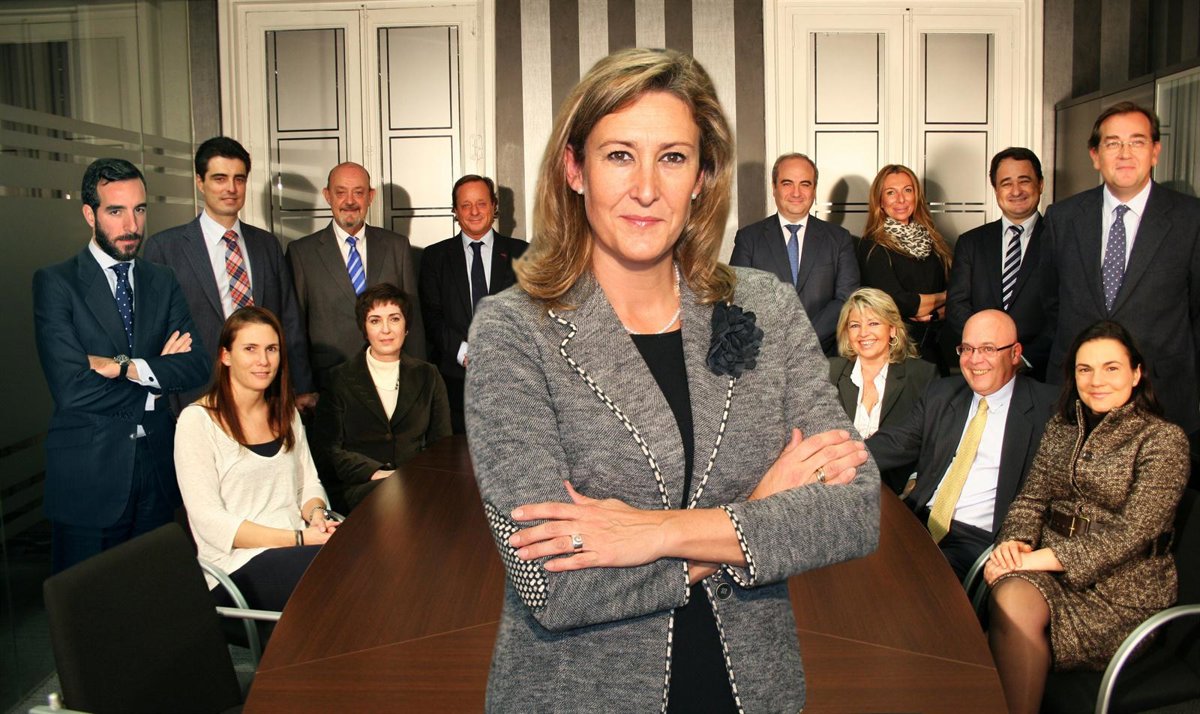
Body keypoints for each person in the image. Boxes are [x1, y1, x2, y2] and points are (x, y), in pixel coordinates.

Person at [465, 48, 878, 713]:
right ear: (574, 169)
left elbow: (853, 509)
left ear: (703, 177)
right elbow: (551, 584)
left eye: (674, 157)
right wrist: (754, 513)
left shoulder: (764, 307)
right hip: (581, 693)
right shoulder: (513, 329)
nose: (646, 188)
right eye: (619, 155)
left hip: (753, 689)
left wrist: (653, 532)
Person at [985, 320, 1188, 714]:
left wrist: (1032, 560)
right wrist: (1014, 544)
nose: (1096, 380)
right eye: (1085, 369)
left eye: (1111, 368)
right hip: (1046, 574)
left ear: (1136, 373)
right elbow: (1031, 499)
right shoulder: (1062, 428)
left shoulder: (1162, 440)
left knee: (1002, 616)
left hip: (1122, 594)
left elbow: (1133, 532)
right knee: (1007, 599)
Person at [34, 158, 210, 573]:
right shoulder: (57, 283)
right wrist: (155, 375)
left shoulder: (162, 279)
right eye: (116, 211)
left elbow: (197, 366)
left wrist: (123, 366)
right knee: (89, 605)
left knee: (152, 598)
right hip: (89, 477)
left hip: (158, 470)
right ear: (89, 214)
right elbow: (72, 389)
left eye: (139, 209)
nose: (132, 225)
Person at [1041, 101, 1200, 451]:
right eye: (1113, 143)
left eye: (1137, 142)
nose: (1125, 153)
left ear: (1155, 151)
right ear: (1095, 155)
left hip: (1162, 398)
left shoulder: (1191, 219)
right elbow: (1050, 303)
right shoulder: (1062, 217)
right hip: (1077, 401)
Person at [867, 310, 1058, 579]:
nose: (974, 359)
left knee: (906, 581)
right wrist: (827, 463)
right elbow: (892, 443)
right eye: (967, 348)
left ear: (1015, 353)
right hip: (919, 521)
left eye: (988, 349)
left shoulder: (1049, 408)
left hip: (979, 541)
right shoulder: (941, 394)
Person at [174, 307, 336, 612]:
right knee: (340, 577)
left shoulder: (285, 413)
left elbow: (308, 485)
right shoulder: (197, 422)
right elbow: (211, 523)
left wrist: (317, 515)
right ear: (225, 356)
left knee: (366, 557)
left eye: (271, 349)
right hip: (235, 568)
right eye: (250, 349)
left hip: (300, 548)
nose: (263, 360)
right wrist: (299, 538)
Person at [143, 136, 316, 413]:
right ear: (200, 182)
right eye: (220, 178)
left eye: (239, 179)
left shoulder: (266, 245)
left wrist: (301, 385)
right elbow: (152, 331)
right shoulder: (165, 248)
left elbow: (289, 319)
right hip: (197, 393)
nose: (231, 188)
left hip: (265, 393)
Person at [311, 283, 452, 511]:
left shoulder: (428, 375)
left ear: (406, 326)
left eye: (394, 319)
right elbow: (326, 451)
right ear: (364, 329)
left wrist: (413, 476)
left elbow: (442, 446)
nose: (386, 329)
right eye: (375, 321)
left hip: (417, 484)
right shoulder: (339, 378)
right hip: (360, 488)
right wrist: (379, 474)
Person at [287, 161, 426, 390]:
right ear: (327, 196)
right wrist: (302, 387)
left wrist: (419, 380)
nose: (350, 201)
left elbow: (414, 320)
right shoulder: (301, 253)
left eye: (358, 193)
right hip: (329, 382)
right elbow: (295, 328)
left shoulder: (397, 247)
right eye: (341, 192)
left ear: (370, 196)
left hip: (391, 379)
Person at [419, 175, 528, 433]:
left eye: (481, 203)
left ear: (493, 206)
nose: (474, 211)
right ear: (456, 211)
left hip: (512, 382)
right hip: (454, 383)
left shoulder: (523, 253)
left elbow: (531, 314)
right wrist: (465, 353)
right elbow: (431, 317)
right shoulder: (435, 257)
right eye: (465, 205)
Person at [730, 153, 859, 354]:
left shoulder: (839, 239)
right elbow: (741, 298)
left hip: (824, 356)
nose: (796, 193)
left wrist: (804, 338)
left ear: (814, 190)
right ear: (774, 188)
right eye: (787, 183)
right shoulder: (749, 238)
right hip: (766, 356)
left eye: (805, 184)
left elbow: (846, 299)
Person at [947, 148, 1051, 379]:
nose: (1016, 191)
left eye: (1024, 181)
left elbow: (1065, 311)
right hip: (980, 369)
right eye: (1006, 183)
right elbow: (957, 306)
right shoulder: (971, 242)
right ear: (995, 190)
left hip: (1039, 371)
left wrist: (1024, 358)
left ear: (1041, 184)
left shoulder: (1059, 240)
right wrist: (984, 352)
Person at [828, 288, 937, 491]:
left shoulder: (922, 376)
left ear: (893, 329)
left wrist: (915, 481)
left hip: (896, 493)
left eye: (873, 323)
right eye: (855, 325)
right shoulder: (829, 372)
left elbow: (932, 443)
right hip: (834, 488)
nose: (863, 333)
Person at [857, 164, 953, 372]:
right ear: (880, 201)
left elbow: (958, 296)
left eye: (907, 190)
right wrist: (943, 297)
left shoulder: (934, 241)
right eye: (891, 192)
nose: (901, 199)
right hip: (896, 353)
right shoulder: (873, 246)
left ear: (916, 196)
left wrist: (932, 311)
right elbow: (898, 302)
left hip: (935, 350)